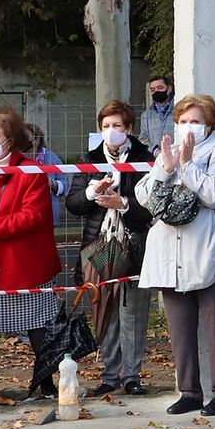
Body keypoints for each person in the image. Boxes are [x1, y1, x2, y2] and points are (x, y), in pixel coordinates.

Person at [136, 94, 215, 416]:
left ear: (209, 125)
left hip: (210, 252)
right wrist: (166, 169)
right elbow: (144, 197)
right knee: (180, 332)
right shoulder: (166, 155)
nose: (187, 127)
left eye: (194, 121)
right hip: (170, 255)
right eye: (182, 122)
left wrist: (187, 165)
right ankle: (189, 392)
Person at [0, 106, 63, 403]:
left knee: (36, 324)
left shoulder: (30, 171)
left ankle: (46, 381)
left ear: (11, 141)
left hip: (23, 260)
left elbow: (33, 215)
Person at [65, 100, 154, 397]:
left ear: (128, 128)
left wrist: (123, 203)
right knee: (105, 311)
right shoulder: (90, 158)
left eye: (117, 126)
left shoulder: (144, 157)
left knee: (133, 311)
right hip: (97, 248)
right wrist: (92, 191)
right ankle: (109, 374)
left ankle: (132, 375)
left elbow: (150, 207)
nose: (111, 132)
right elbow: (73, 203)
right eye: (106, 126)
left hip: (134, 245)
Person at [24, 122, 70, 226]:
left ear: (37, 140)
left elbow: (65, 185)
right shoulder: (16, 158)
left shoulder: (51, 157)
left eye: (26, 137)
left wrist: (52, 183)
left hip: (49, 215)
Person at [141, 74, 175, 150]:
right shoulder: (146, 115)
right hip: (154, 159)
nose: (156, 91)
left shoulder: (179, 111)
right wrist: (155, 151)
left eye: (160, 88)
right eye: (153, 90)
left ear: (169, 89)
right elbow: (143, 139)